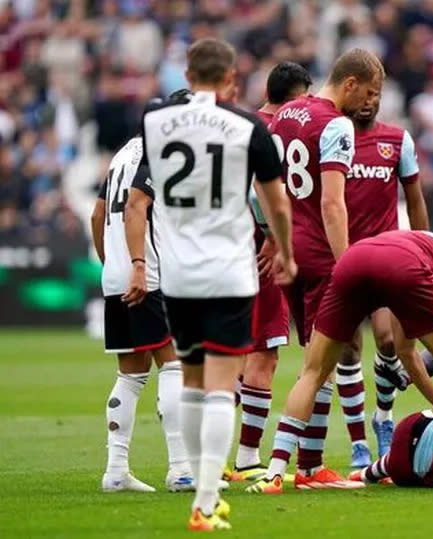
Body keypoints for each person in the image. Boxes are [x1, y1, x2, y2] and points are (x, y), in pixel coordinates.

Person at [125, 38, 295, 531]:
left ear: (186, 73)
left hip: (177, 273)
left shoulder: (155, 120)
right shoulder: (249, 126)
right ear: (232, 79)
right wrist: (283, 250)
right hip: (228, 269)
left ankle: (197, 483)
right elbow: (276, 204)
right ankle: (205, 498)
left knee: (192, 379)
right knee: (222, 385)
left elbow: (147, 189)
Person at [248, 229, 433, 495]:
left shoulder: (430, 248)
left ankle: (274, 474)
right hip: (402, 265)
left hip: (354, 258)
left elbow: (406, 352)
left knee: (313, 372)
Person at [268, 48, 385, 490]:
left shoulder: (286, 113)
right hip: (321, 256)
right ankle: (307, 467)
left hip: (291, 253)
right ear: (350, 83)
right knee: (321, 366)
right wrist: (348, 264)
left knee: (315, 362)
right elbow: (333, 204)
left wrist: (275, 240)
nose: (369, 104)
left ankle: (303, 465)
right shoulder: (337, 124)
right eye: (369, 93)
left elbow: (270, 188)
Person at [90, 124, 193, 494]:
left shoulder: (121, 155)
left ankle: (116, 471)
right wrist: (137, 265)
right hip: (146, 273)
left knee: (131, 376)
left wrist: (113, 265)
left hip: (118, 275)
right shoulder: (159, 152)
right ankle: (182, 469)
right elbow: (136, 207)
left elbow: (97, 215)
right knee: (174, 364)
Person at [335, 73, 430, 469]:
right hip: (342, 256)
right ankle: (358, 442)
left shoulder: (398, 140)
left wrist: (426, 249)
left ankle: (384, 417)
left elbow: (415, 198)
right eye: (366, 93)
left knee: (389, 341)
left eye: (378, 95)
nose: (371, 101)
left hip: (388, 257)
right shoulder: (333, 141)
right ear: (350, 91)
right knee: (349, 348)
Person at [226, 61, 313, 483]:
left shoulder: (237, 126)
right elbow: (264, 191)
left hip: (223, 250)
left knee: (234, 354)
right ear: (296, 98)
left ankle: (206, 448)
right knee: (264, 353)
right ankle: (245, 457)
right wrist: (273, 235)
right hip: (259, 251)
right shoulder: (273, 132)